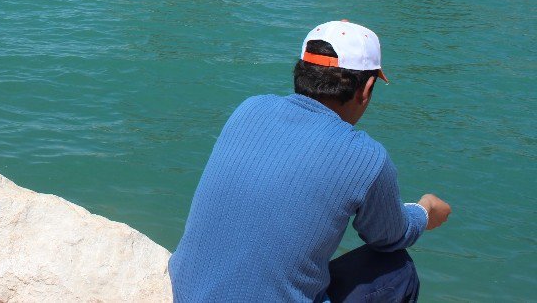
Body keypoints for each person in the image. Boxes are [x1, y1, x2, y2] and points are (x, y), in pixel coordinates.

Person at [169, 20, 451, 302]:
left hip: (187, 294)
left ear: (303, 73)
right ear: (365, 90)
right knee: (398, 269)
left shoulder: (250, 108)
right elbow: (389, 236)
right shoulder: (366, 157)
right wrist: (425, 212)